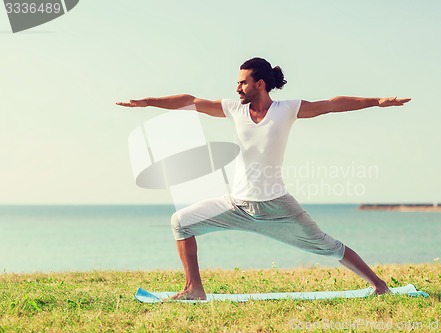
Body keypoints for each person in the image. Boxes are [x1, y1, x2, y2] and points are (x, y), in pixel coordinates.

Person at [117, 57, 411, 300]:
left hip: (277, 206)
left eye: (242, 82)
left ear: (259, 84)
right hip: (237, 204)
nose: (237, 88)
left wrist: (378, 101)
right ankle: (194, 288)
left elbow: (332, 104)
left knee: (328, 246)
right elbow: (191, 101)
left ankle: (379, 285)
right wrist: (148, 102)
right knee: (180, 222)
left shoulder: (287, 110)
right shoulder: (234, 110)